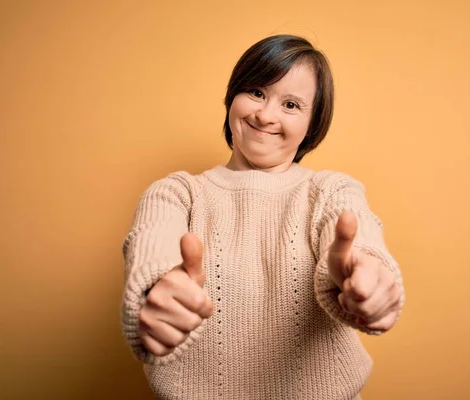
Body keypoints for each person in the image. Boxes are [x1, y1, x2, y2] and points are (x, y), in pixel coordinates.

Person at [121, 34, 405, 400]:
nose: (265, 115)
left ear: (311, 125)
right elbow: (152, 249)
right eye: (256, 92)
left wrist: (366, 276)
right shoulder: (175, 193)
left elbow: (359, 239)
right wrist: (156, 291)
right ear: (232, 96)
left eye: (291, 104)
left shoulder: (331, 190)